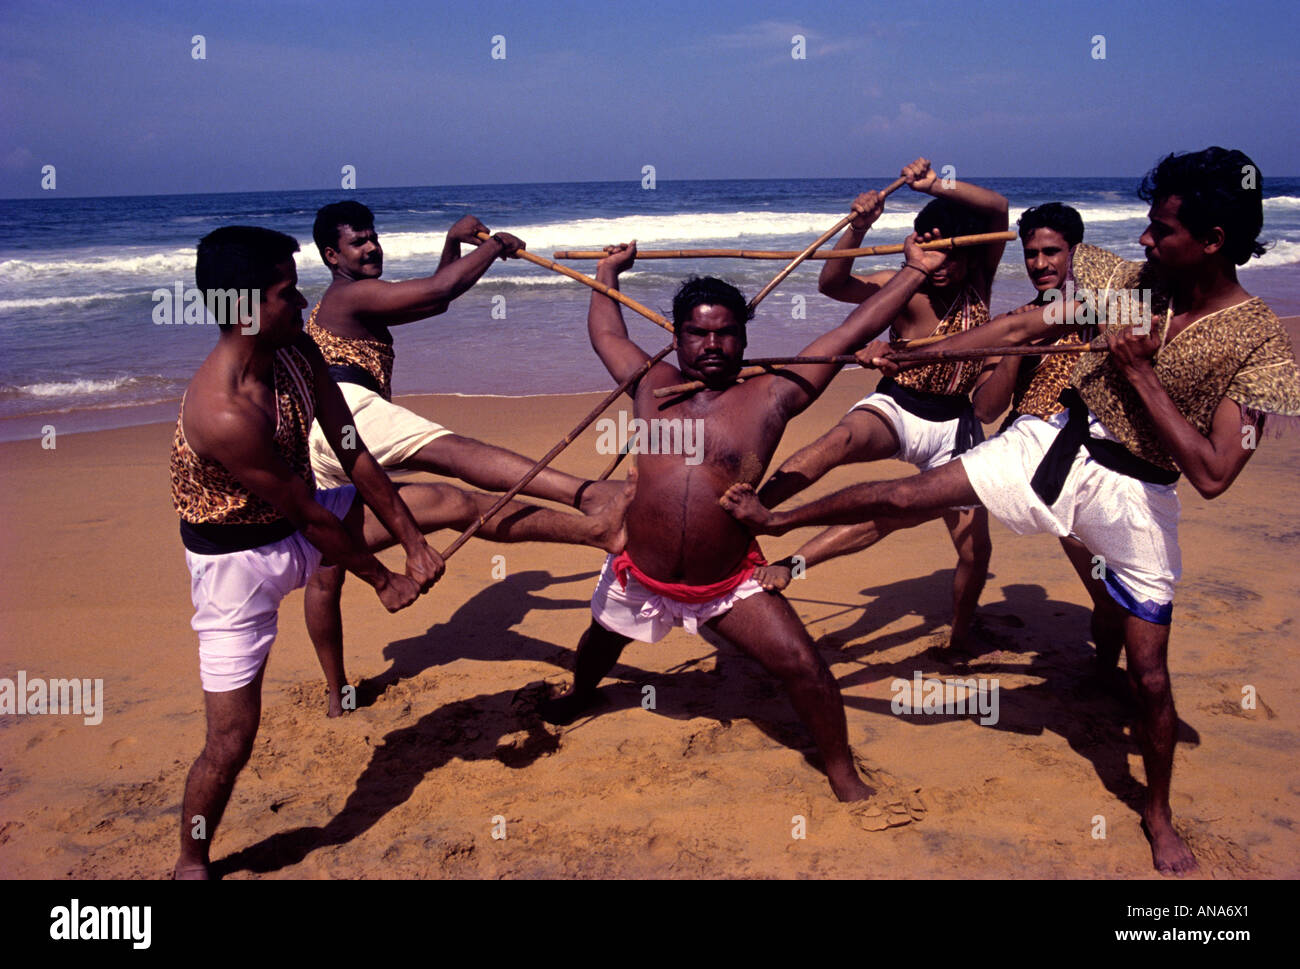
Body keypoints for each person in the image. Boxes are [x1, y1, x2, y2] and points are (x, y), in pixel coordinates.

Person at [719, 147, 1300, 873]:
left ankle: (1157, 811)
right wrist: (918, 354)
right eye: (1148, 226)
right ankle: (776, 523)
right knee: (907, 495)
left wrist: (1142, 374)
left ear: (1214, 241)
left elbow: (1213, 472)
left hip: (1140, 493)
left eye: (1162, 229)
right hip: (1057, 442)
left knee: (1150, 674)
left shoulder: (1261, 345)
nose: (1145, 241)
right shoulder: (1139, 289)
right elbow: (1024, 328)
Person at [172, 226, 630, 878]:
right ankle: (192, 859)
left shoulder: (298, 350)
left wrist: (415, 541)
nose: (301, 303)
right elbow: (304, 518)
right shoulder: (221, 411)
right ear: (243, 306)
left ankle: (604, 531)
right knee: (230, 739)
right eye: (283, 292)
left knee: (453, 502)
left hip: (308, 515)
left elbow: (351, 446)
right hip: (237, 565)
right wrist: (384, 578)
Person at [538, 228, 950, 803]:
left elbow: (848, 331)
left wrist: (913, 272)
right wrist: (607, 275)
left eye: (726, 333)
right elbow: (606, 331)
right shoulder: (651, 386)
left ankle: (842, 773)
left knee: (804, 667)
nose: (712, 345)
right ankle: (584, 693)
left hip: (725, 583)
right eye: (698, 333)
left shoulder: (772, 395)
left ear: (743, 335)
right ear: (676, 336)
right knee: (602, 637)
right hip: (639, 569)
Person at [305, 202, 619, 715]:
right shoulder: (348, 295)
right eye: (359, 242)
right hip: (348, 414)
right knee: (454, 451)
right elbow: (438, 291)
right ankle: (586, 494)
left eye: (374, 237)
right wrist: (497, 246)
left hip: (320, 435)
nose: (372, 247)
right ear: (331, 255)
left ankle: (338, 694)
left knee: (326, 568)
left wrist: (453, 242)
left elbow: (434, 302)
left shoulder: (348, 301)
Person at [750, 158, 1009, 654]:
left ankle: (958, 639)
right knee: (838, 442)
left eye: (949, 255)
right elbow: (832, 285)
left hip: (956, 427)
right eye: (928, 250)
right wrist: (858, 228)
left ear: (970, 254)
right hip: (899, 408)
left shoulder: (980, 279)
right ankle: (755, 513)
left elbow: (996, 207)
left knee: (963, 549)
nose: (940, 266)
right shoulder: (906, 281)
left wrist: (936, 185)